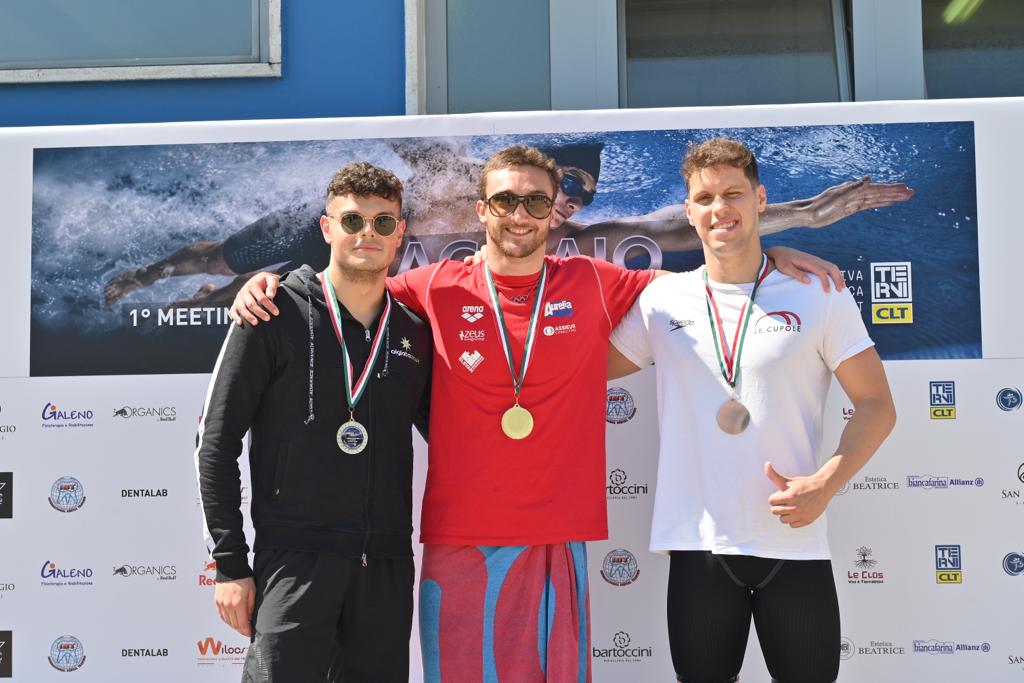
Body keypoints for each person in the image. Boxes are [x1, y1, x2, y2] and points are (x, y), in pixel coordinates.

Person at [228, 144, 847, 682]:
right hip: (464, 538)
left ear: (555, 211)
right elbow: (348, 280)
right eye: (504, 202)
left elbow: (709, 276)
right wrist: (271, 286)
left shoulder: (595, 281)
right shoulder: (432, 286)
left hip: (558, 536)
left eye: (533, 202)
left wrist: (776, 254)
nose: (518, 214)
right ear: (482, 210)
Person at [608, 138, 897, 683]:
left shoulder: (818, 292)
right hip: (700, 547)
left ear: (760, 198)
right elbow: (579, 368)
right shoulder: (660, 302)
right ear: (689, 212)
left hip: (794, 543)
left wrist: (827, 483)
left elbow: (877, 404)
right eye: (706, 197)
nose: (721, 209)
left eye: (734, 194)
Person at [102, 136, 911, 306]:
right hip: (348, 228)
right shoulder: (458, 183)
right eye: (558, 189)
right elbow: (412, 145)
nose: (563, 207)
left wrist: (810, 216)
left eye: (579, 197)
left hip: (361, 278)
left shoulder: (576, 236)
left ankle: (185, 297)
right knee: (214, 257)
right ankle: (145, 275)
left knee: (237, 293)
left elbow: (686, 224)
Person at [194, 162, 432, 682]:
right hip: (295, 559)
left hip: (386, 563)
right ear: (326, 228)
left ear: (400, 234)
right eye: (352, 220)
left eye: (383, 223)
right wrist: (231, 563)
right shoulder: (271, 312)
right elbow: (215, 443)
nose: (367, 233)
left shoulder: (414, 329)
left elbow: (454, 434)